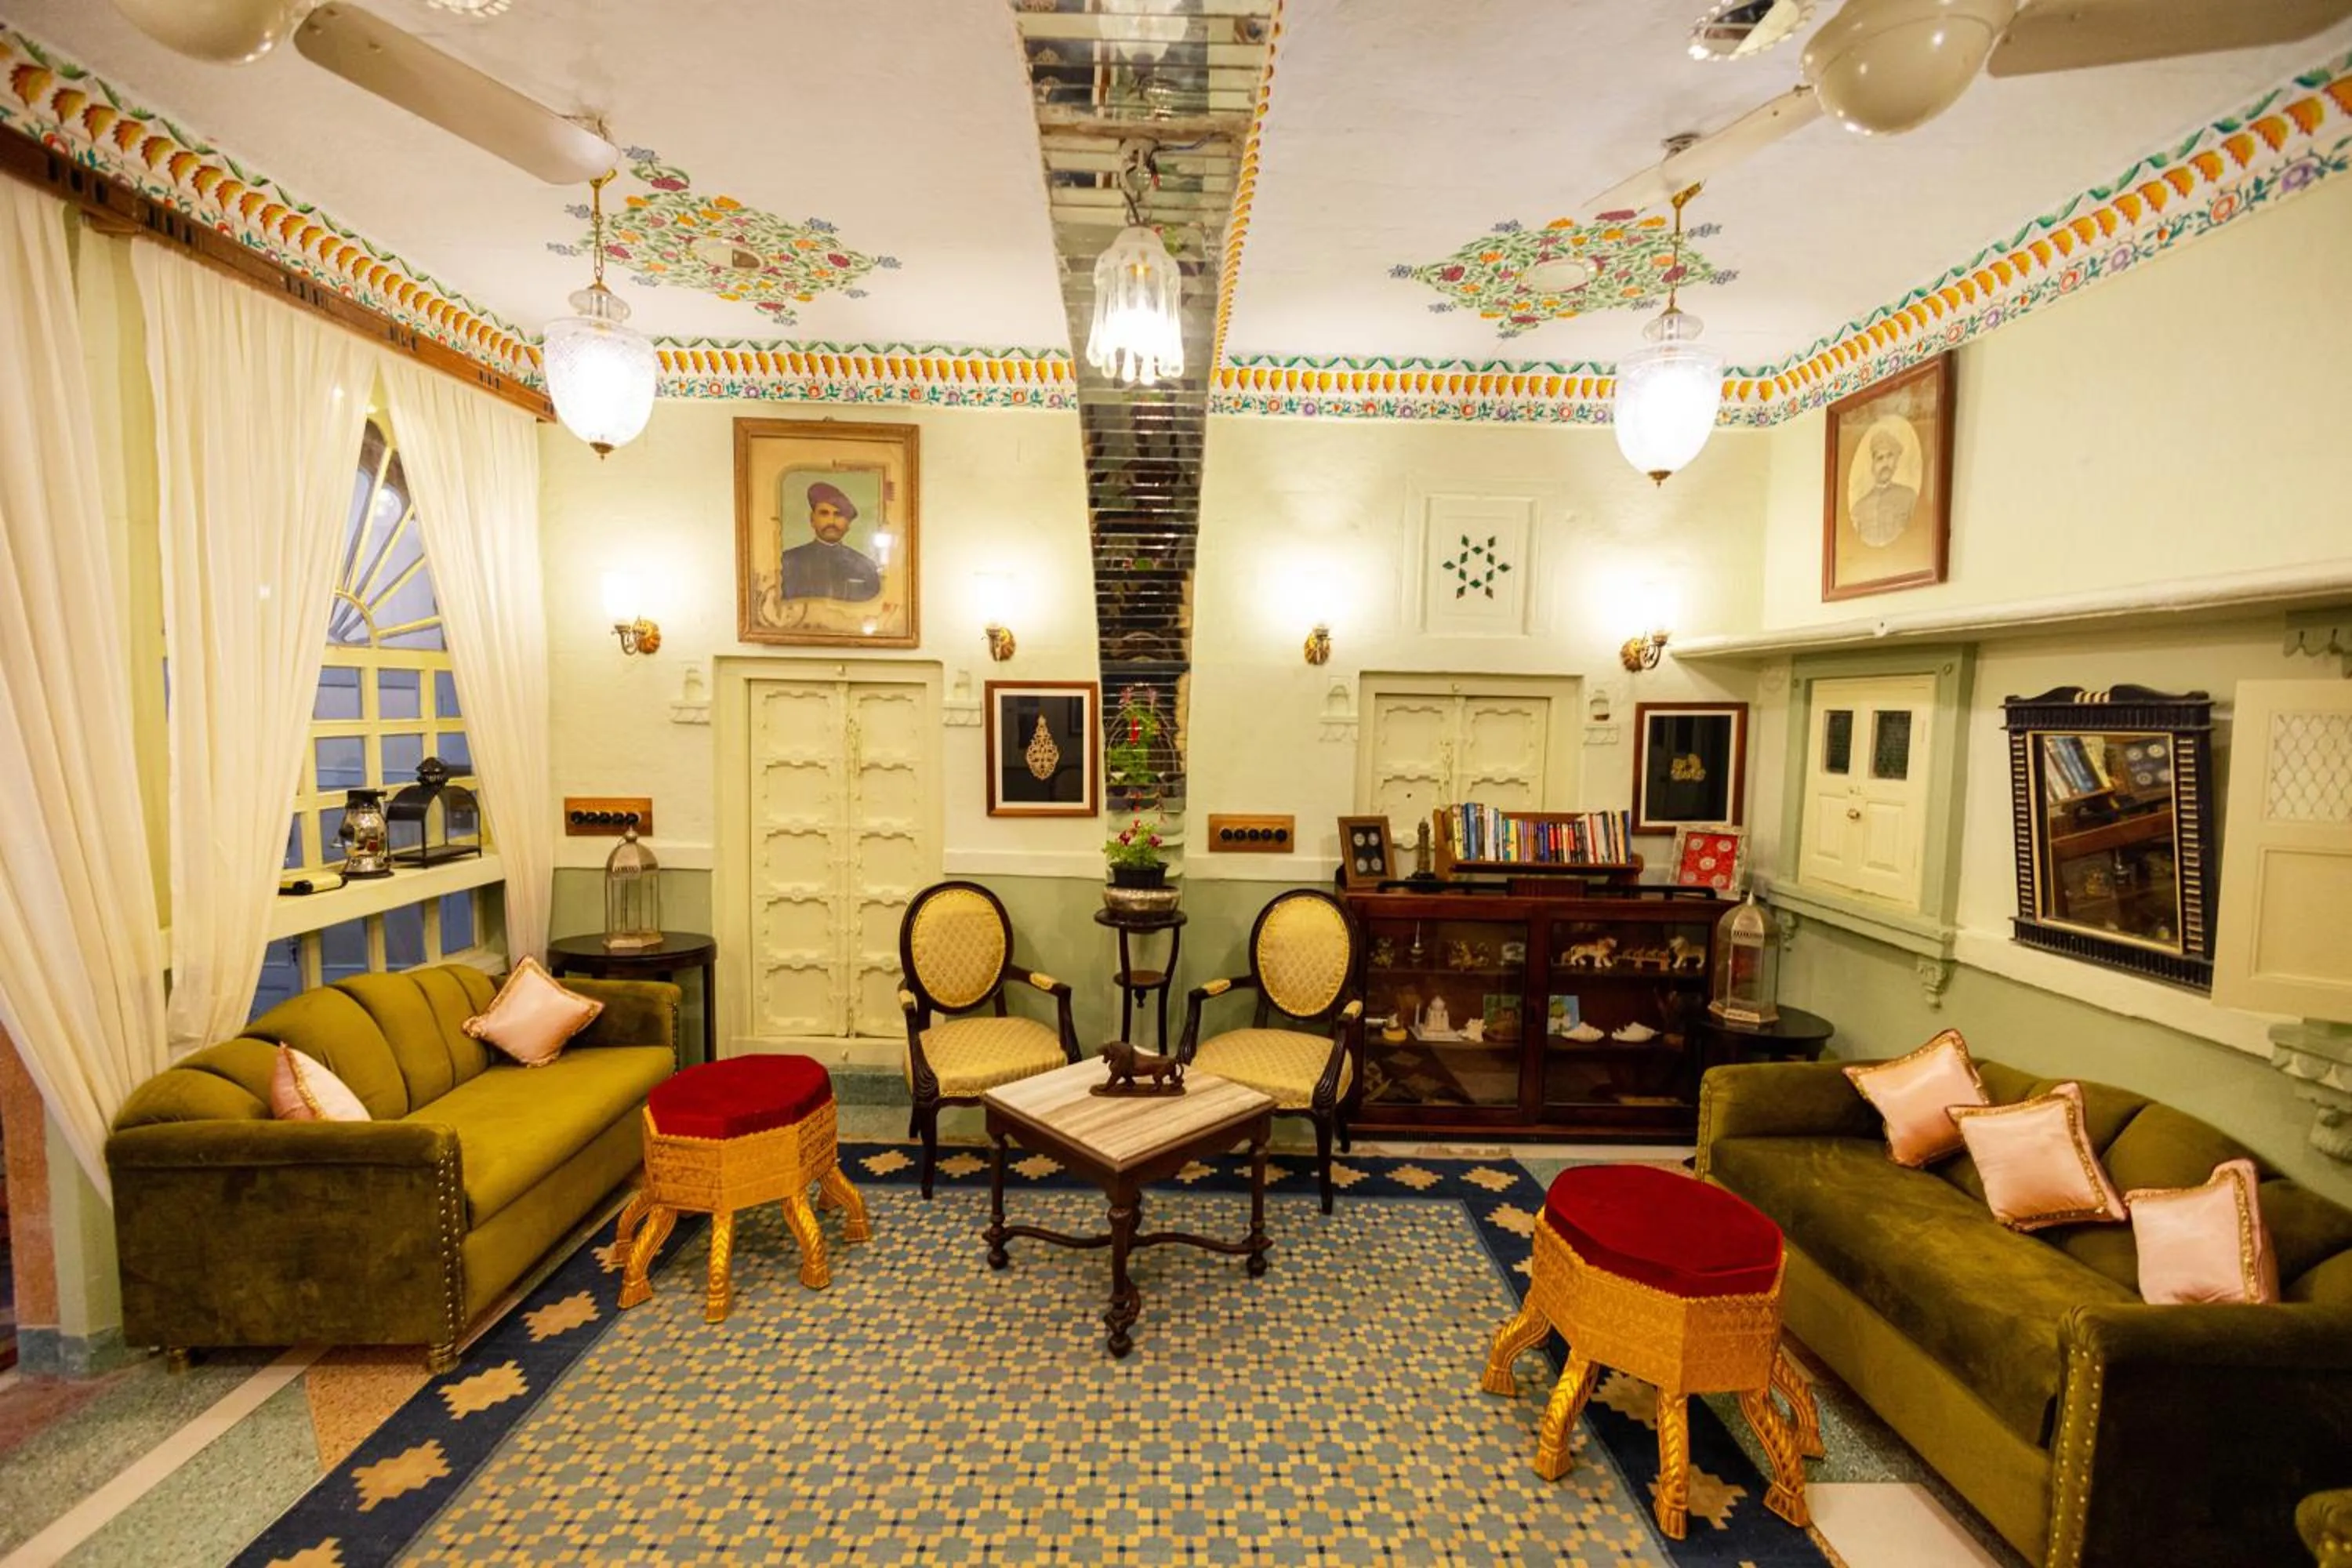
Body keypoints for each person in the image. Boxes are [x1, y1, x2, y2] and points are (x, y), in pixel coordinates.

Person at [778, 480, 880, 601]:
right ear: (812, 520)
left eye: (838, 514)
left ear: (848, 524)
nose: (831, 522)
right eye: (824, 513)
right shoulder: (787, 562)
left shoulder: (866, 567)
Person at [1848, 424, 1918, 547]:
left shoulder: (1909, 497)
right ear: (1873, 465)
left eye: (1890, 456)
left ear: (1896, 462)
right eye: (1880, 458)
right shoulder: (1858, 508)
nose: (1885, 463)